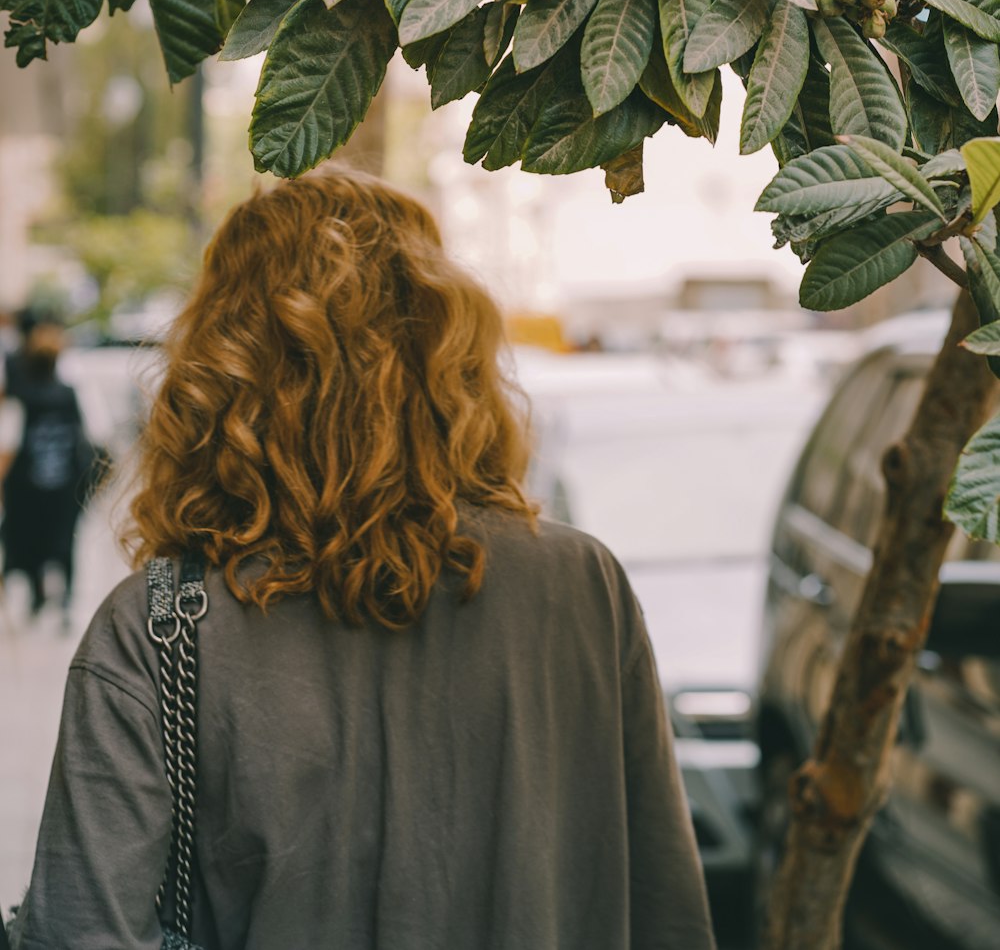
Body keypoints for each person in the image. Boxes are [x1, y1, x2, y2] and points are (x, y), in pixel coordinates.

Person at [8, 168, 715, 950]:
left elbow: (78, 931)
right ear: (449, 353)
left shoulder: (160, 629)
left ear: (220, 367)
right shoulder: (584, 591)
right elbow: (668, 912)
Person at [0, 320, 89, 619]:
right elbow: (85, 437)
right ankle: (65, 599)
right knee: (65, 543)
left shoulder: (22, 398)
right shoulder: (69, 393)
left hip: (29, 484)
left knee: (32, 540)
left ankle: (38, 597)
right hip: (64, 482)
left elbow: (9, 444)